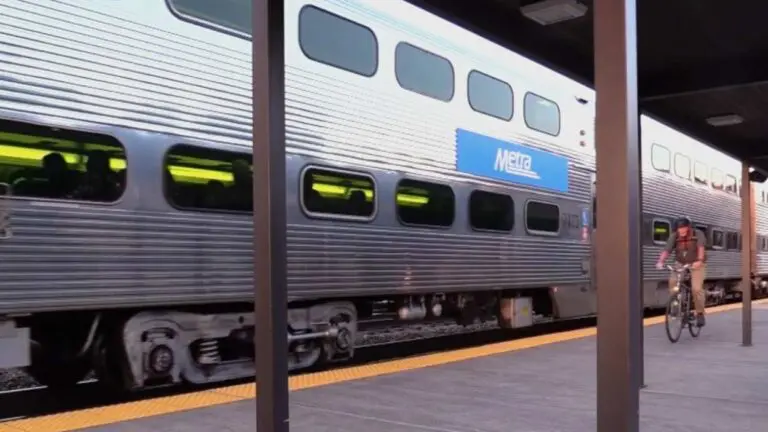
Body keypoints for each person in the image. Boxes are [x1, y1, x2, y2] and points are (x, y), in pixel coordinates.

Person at [655, 216, 707, 327]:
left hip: (696, 263)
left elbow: (701, 248)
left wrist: (700, 260)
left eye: (684, 228)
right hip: (680, 263)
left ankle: (700, 313)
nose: (681, 230)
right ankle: (675, 305)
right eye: (679, 228)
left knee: (696, 289)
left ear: (689, 227)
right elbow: (667, 250)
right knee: (673, 282)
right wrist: (660, 261)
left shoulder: (698, 234)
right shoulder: (674, 236)